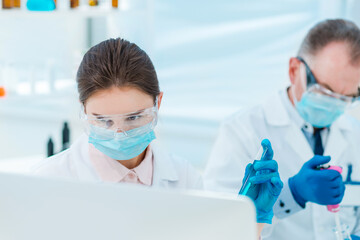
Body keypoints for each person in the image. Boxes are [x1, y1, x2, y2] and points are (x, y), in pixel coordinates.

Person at [33, 38, 283, 238]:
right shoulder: (48, 181)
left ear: (158, 103)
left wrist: (251, 222)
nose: (119, 134)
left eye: (133, 118)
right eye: (103, 121)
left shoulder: (183, 177)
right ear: (84, 109)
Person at [203, 19, 360, 240]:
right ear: (295, 70)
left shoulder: (355, 135)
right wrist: (292, 194)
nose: (335, 105)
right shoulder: (242, 131)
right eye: (325, 92)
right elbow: (218, 227)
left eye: (347, 98)